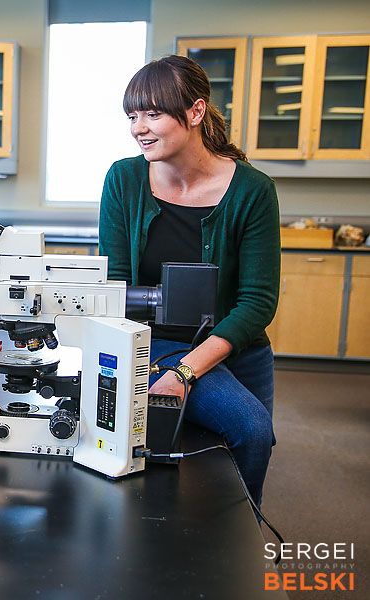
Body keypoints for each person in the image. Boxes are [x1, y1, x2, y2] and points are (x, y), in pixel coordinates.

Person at [98, 55, 280, 507]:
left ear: (195, 112)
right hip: (159, 345)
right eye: (133, 116)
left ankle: (241, 548)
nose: (139, 127)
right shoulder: (124, 180)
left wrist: (188, 371)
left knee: (254, 439)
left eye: (153, 114)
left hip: (237, 349)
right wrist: (166, 365)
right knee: (243, 431)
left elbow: (257, 302)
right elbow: (117, 285)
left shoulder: (253, 190)